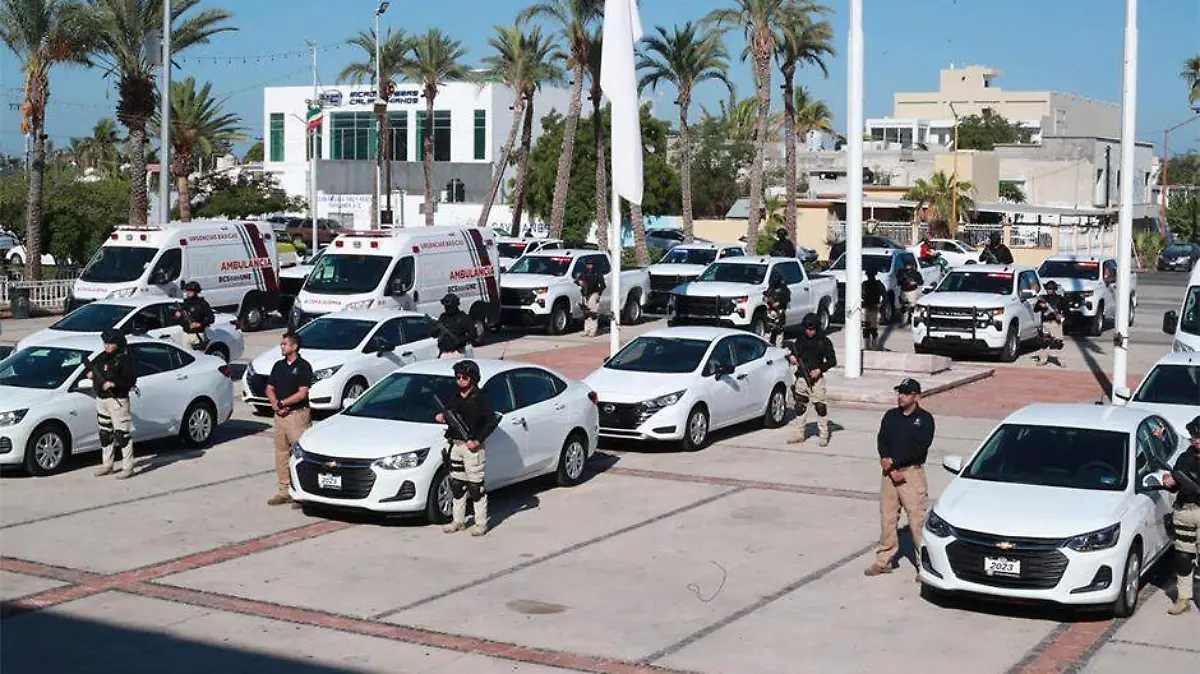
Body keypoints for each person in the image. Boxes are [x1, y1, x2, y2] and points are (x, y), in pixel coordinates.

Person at [866, 378, 935, 578]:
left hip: (911, 473)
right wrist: (885, 460)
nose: (901, 397)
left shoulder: (924, 419)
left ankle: (925, 566)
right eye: (900, 393)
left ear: (916, 397)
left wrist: (895, 462)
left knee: (917, 520)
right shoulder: (891, 416)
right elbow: (882, 439)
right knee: (887, 517)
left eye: (906, 393)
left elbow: (920, 448)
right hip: (889, 473)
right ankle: (884, 560)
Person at [436, 359, 499, 536]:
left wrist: (478, 440)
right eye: (458, 377)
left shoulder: (481, 397)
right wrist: (442, 417)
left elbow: (491, 421)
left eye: (464, 377)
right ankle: (458, 520)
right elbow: (449, 413)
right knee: (457, 485)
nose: (461, 381)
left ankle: (481, 523)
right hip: (456, 444)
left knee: (475, 487)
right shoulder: (455, 396)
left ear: (473, 378)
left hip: (472, 447)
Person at [265, 331, 313, 506]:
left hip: (297, 416)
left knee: (299, 454)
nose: (282, 346)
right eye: (282, 344)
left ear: (295, 346)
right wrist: (275, 404)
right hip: (280, 416)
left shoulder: (303, 366)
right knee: (281, 453)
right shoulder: (278, 365)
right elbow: (269, 387)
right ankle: (284, 491)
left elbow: (302, 393)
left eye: (285, 344)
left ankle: (301, 493)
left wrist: (283, 403)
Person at [1163, 416, 1200, 616]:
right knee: (1183, 557)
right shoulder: (1186, 457)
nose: (1195, 439)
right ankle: (1184, 598)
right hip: (1184, 511)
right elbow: (1177, 483)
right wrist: (1170, 482)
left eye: (1199, 436)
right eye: (1194, 435)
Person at [89, 330, 138, 479]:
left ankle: (128, 467)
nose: (107, 346)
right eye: (105, 343)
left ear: (118, 343)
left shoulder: (124, 359)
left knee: (122, 435)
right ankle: (107, 465)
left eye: (110, 343)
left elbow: (130, 380)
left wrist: (114, 383)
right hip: (101, 399)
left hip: (117, 400)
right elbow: (93, 368)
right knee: (105, 433)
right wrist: (91, 375)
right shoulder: (102, 357)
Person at [787, 315, 837, 447]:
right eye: (807, 329)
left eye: (812, 329)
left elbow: (832, 360)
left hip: (816, 379)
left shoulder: (824, 341)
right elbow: (792, 353)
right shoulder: (800, 340)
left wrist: (820, 370)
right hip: (801, 378)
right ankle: (798, 434)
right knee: (800, 406)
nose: (809, 332)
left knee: (820, 407)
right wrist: (792, 358)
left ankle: (824, 435)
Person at [1033, 280, 1066, 367]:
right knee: (1044, 342)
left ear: (1054, 289)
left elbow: (1067, 310)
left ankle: (1061, 361)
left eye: (1051, 289)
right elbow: (1035, 309)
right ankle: (1043, 360)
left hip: (1056, 323)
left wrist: (1061, 316)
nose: (1049, 290)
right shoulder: (1043, 299)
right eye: (1048, 289)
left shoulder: (1060, 299)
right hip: (1045, 323)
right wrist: (1040, 306)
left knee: (1058, 343)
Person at [174, 281, 214, 351]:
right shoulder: (186, 303)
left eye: (190, 291)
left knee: (199, 356)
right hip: (186, 334)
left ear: (196, 292)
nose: (188, 293)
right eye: (187, 291)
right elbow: (180, 319)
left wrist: (199, 324)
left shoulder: (202, 303)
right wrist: (178, 316)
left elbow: (211, 319)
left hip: (197, 335)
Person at [435, 293, 476, 358]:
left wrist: (461, 340)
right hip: (444, 352)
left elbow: (473, 333)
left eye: (448, 306)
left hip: (459, 351)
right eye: (445, 306)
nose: (446, 308)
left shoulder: (462, 317)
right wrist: (435, 331)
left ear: (454, 305)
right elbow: (436, 333)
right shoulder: (443, 317)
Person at [576, 260, 606, 337]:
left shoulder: (597, 273)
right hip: (585, 294)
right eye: (588, 264)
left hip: (594, 293)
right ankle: (586, 330)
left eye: (591, 264)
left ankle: (593, 331)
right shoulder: (584, 272)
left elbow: (603, 285)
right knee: (586, 313)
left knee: (593, 313)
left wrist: (598, 294)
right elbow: (577, 281)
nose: (589, 266)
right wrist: (579, 282)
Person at [763, 271, 791, 347]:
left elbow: (787, 299)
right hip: (771, 311)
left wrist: (779, 303)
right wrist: (766, 298)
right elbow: (766, 296)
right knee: (768, 329)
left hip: (780, 311)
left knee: (779, 329)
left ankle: (779, 346)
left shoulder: (784, 289)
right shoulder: (771, 287)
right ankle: (766, 345)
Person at [862, 268, 887, 351]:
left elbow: (885, 296)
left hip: (869, 307)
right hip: (872, 307)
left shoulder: (865, 284)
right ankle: (873, 345)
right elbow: (885, 296)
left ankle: (868, 346)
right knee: (871, 328)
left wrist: (881, 305)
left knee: (868, 328)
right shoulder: (877, 284)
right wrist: (881, 305)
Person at [897, 259, 924, 326]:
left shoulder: (916, 273)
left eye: (909, 265)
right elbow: (899, 282)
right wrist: (902, 279)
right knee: (903, 306)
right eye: (906, 265)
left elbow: (921, 282)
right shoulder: (901, 272)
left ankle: (910, 320)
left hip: (912, 291)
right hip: (903, 290)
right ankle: (903, 320)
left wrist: (915, 282)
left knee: (912, 307)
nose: (908, 267)